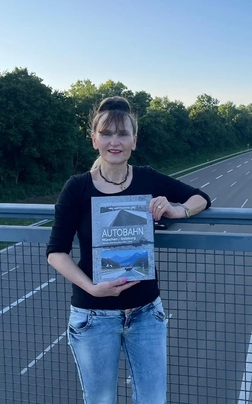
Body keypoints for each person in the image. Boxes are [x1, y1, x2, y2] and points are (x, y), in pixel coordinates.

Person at [46, 96, 210, 404]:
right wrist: (92, 288)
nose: (114, 141)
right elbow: (56, 251)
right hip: (93, 315)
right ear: (94, 139)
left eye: (122, 134)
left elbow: (200, 197)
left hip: (146, 312)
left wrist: (177, 210)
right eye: (106, 133)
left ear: (134, 140)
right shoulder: (77, 187)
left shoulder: (147, 177)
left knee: (153, 400)